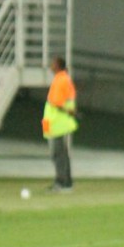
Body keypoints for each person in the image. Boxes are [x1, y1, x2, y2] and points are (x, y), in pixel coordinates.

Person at [42, 56, 77, 192]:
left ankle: (61, 182)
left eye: (52, 63)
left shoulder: (60, 80)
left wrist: (69, 111)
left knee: (58, 154)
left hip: (58, 123)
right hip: (60, 122)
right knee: (63, 153)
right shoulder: (64, 78)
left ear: (57, 65)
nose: (51, 65)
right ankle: (67, 182)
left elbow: (56, 102)